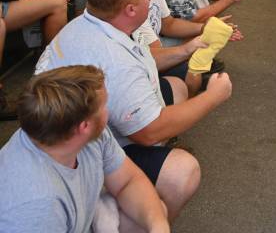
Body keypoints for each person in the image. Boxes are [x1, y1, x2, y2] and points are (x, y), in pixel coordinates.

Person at [35, 0, 232, 222]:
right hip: (87, 154)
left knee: (175, 86)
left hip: (70, 135)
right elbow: (147, 132)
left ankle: (156, 165)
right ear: (130, 9)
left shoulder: (93, 22)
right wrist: (213, 96)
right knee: (183, 171)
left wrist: (189, 48)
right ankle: (147, 220)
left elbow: (143, 60)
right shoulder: (114, 60)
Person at [0, 65, 170, 232]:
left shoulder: (82, 133)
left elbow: (127, 181)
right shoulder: (38, 206)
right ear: (84, 126)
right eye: (104, 105)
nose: (108, 111)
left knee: (155, 214)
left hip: (80, 220)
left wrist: (158, 226)